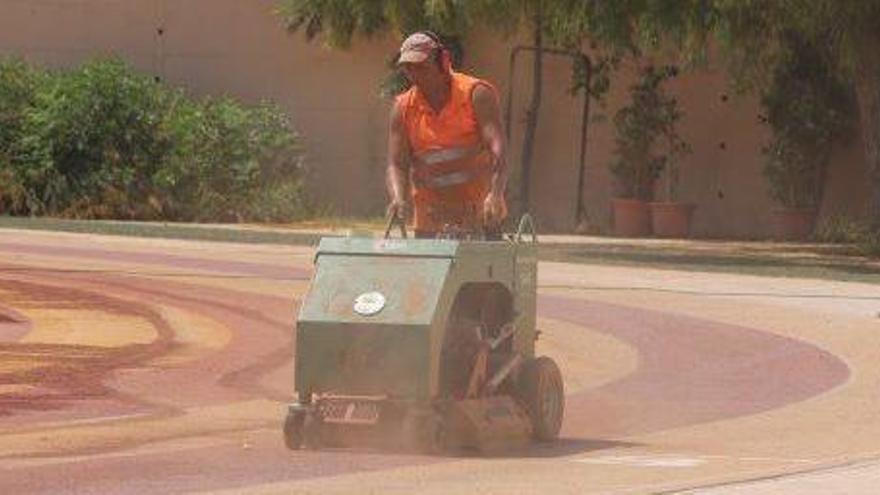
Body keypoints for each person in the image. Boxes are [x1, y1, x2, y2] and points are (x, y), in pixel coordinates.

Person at [386, 31, 509, 238]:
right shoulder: (403, 108)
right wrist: (398, 198)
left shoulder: (476, 94)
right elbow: (397, 163)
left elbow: (498, 150)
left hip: (479, 220)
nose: (415, 75)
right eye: (408, 68)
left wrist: (496, 194)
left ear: (443, 62)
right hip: (429, 222)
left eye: (421, 67)